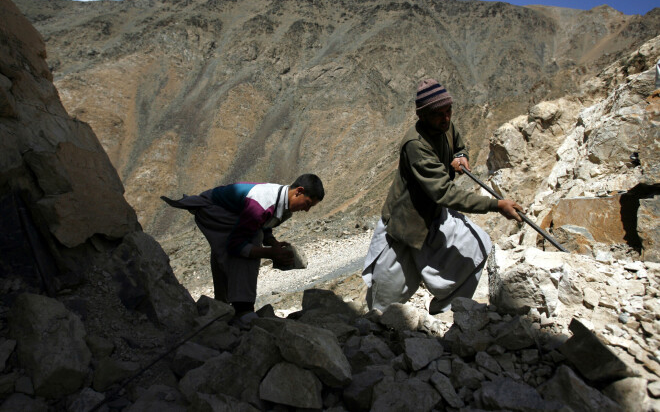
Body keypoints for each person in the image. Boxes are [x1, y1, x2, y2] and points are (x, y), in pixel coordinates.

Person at [362, 79, 523, 314]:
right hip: (407, 225)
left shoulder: (444, 126)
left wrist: (461, 154)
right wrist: (496, 205)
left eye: (449, 111)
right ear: (422, 115)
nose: (446, 118)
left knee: (477, 248)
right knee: (385, 298)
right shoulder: (415, 145)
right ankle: (374, 332)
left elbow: (457, 142)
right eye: (439, 114)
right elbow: (444, 192)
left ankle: (446, 311)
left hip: (435, 216)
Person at [162, 174, 324, 321]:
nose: (306, 210)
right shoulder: (263, 202)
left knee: (230, 247)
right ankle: (243, 309)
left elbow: (262, 223)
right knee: (250, 240)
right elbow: (236, 244)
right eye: (307, 203)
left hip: (225, 210)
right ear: (298, 191)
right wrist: (270, 253)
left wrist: (273, 242)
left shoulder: (284, 204)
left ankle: (222, 305)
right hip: (211, 209)